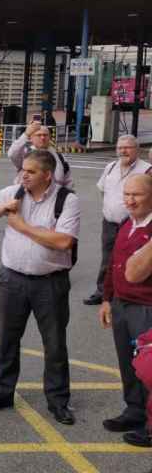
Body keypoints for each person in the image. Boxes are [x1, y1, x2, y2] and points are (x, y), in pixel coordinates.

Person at [0, 149, 80, 426]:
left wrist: (21, 225)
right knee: (7, 339)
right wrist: (0, 209)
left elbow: (62, 242)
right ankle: (2, 392)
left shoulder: (66, 200)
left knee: (54, 343)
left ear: (47, 175)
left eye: (31, 172)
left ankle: (58, 401)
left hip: (50, 283)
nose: (24, 175)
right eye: (23, 170)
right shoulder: (14, 192)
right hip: (13, 280)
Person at [100, 173, 152, 448]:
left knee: (149, 369)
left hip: (146, 308)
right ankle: (134, 411)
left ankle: (151, 425)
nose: (130, 200)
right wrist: (107, 299)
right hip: (121, 304)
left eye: (137, 195)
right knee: (129, 364)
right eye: (127, 194)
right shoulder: (125, 223)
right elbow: (113, 263)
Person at [86, 135, 151, 305]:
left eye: (128, 147)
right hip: (109, 222)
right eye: (120, 147)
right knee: (108, 258)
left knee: (133, 259)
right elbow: (102, 190)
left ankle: (128, 293)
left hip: (135, 225)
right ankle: (103, 292)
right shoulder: (110, 167)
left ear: (137, 150)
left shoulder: (147, 170)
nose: (123, 151)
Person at [8, 121, 72, 188]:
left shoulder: (60, 157)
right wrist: (26, 134)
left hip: (54, 196)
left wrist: (66, 195)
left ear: (49, 137)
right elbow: (12, 153)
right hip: (27, 195)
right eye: (39, 135)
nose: (42, 138)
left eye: (45, 135)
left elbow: (67, 180)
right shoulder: (25, 154)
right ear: (31, 138)